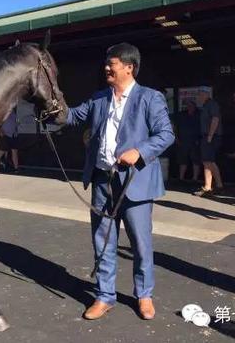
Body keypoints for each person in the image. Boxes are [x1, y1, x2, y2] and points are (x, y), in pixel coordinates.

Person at [65, 43, 174, 321]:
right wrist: (49, 107)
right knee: (103, 242)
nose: (106, 68)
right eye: (106, 63)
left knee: (140, 243)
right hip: (103, 180)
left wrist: (140, 152)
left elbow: (166, 134)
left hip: (134, 183)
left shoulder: (150, 98)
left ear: (129, 67)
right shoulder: (99, 98)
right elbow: (72, 116)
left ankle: (144, 295)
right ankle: (104, 296)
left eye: (111, 63)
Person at [193, 87, 224, 197]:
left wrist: (210, 136)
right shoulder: (205, 105)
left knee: (209, 161)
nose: (198, 97)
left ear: (206, 94)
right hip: (206, 136)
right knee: (206, 161)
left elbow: (215, 120)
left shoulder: (212, 104)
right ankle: (207, 186)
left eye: (200, 94)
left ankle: (219, 185)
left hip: (211, 136)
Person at [175, 99, 201, 182]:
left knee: (196, 160)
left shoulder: (199, 115)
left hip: (195, 141)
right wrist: (176, 138)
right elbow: (176, 128)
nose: (189, 107)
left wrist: (199, 140)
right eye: (188, 105)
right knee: (182, 160)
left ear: (194, 106)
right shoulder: (182, 115)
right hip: (183, 141)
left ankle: (195, 178)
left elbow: (202, 127)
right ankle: (181, 178)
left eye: (191, 105)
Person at [0, 108, 19, 172]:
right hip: (5, 134)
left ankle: (16, 168)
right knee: (2, 150)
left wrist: (16, 128)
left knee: (15, 151)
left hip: (13, 134)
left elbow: (15, 122)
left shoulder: (13, 112)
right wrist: (0, 130)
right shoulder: (4, 111)